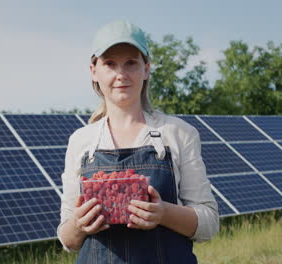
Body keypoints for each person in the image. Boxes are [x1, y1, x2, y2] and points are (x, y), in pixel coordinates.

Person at [57, 20, 219, 263]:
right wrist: (80, 225)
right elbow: (67, 240)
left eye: (131, 63)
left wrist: (163, 213)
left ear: (146, 69)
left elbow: (209, 224)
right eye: (110, 64)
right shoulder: (81, 142)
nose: (121, 75)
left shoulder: (178, 133)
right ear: (94, 71)